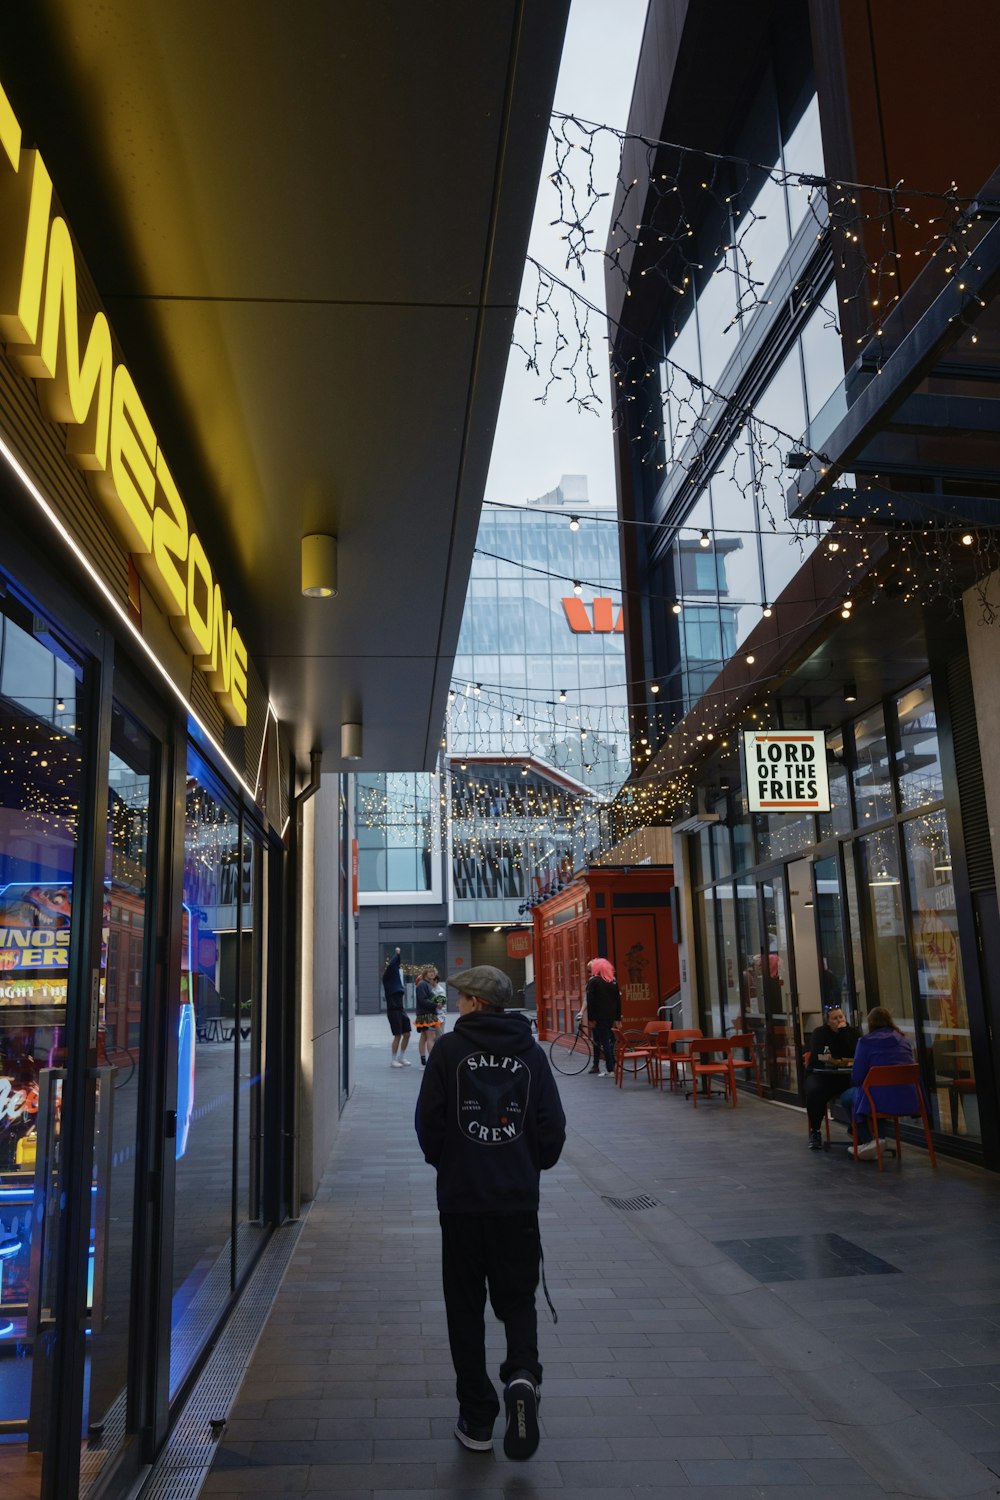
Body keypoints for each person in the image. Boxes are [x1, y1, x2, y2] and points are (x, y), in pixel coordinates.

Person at [415, 964, 565, 1461]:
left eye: (461, 999)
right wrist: (524, 1165)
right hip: (516, 1203)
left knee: (465, 1308)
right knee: (518, 1300)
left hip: (461, 1203)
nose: (456, 1005)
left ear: (477, 1003)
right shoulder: (532, 1054)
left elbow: (428, 1125)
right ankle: (522, 1375)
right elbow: (552, 1129)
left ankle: (478, 1417)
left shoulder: (449, 1052)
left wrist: (454, 1162)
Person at [840, 1006, 920, 1159]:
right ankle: (879, 1139)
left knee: (849, 1097)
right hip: (907, 1098)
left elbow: (857, 1077)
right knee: (875, 1094)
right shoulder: (903, 1040)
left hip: (877, 1099)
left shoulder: (865, 1042)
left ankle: (868, 1140)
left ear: (870, 1023)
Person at [804, 1004, 859, 1149]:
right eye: (834, 1018)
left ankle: (858, 1127)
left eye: (841, 1017)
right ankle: (815, 1131)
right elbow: (819, 1055)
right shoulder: (819, 1033)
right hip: (821, 1074)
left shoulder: (852, 1033)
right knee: (815, 1091)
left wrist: (844, 1033)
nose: (839, 1020)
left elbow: (857, 1053)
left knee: (861, 1089)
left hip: (844, 1075)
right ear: (827, 1021)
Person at [578, 957, 620, 1077]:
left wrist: (591, 1018)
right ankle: (610, 1065)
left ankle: (610, 1069)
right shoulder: (612, 981)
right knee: (608, 1040)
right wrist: (618, 1018)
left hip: (599, 1017)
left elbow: (590, 1001)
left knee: (604, 1042)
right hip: (610, 1016)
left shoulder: (594, 981)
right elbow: (617, 1001)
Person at [382, 947, 411, 1067]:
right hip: (393, 1011)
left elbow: (395, 965)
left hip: (401, 1010)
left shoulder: (395, 981)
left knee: (407, 1033)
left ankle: (401, 1057)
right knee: (397, 1035)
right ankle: (393, 1059)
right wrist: (397, 954)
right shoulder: (388, 979)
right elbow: (393, 965)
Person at [415, 965, 443, 1065]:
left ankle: (423, 1060)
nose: (432, 973)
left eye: (433, 972)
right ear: (425, 974)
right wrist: (436, 1005)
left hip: (424, 1014)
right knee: (431, 1037)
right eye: (430, 972)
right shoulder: (423, 984)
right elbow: (422, 1000)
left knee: (424, 1037)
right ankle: (432, 1061)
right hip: (427, 1015)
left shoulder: (426, 984)